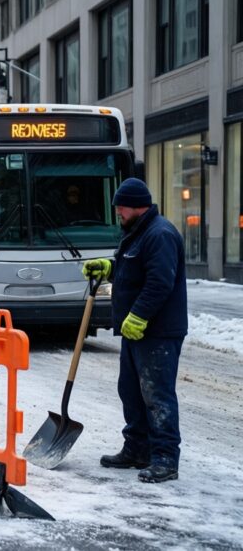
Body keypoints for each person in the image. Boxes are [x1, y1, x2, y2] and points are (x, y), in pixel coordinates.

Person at [82, 177, 187, 484]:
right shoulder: (138, 232)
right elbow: (133, 268)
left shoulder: (160, 234)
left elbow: (160, 282)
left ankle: (165, 458)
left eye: (121, 208)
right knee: (131, 391)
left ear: (135, 206)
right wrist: (109, 268)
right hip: (135, 331)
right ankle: (137, 449)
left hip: (158, 332)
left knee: (156, 394)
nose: (118, 213)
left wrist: (139, 315)